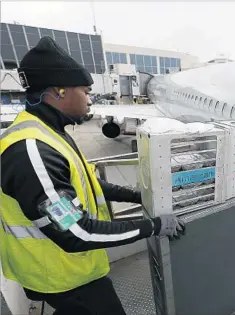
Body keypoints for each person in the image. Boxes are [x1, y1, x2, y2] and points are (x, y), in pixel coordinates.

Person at [0, 36, 185, 315]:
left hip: (69, 267)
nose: (90, 100)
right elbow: (77, 231)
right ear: (59, 91)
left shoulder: (49, 132)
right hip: (60, 276)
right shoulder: (33, 152)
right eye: (86, 91)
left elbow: (87, 183)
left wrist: (139, 195)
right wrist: (154, 226)